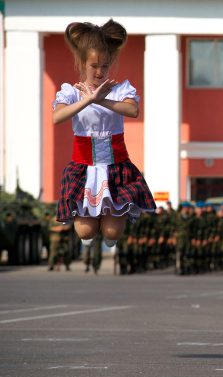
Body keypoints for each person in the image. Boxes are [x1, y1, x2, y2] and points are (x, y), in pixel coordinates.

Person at [52, 19, 156, 250]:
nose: (100, 72)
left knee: (111, 234)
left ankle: (112, 221)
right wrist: (88, 99)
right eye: (94, 66)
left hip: (116, 168)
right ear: (82, 63)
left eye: (105, 66)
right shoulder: (71, 92)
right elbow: (57, 117)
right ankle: (89, 223)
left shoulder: (120, 89)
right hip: (83, 168)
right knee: (86, 233)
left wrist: (102, 99)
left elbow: (133, 110)